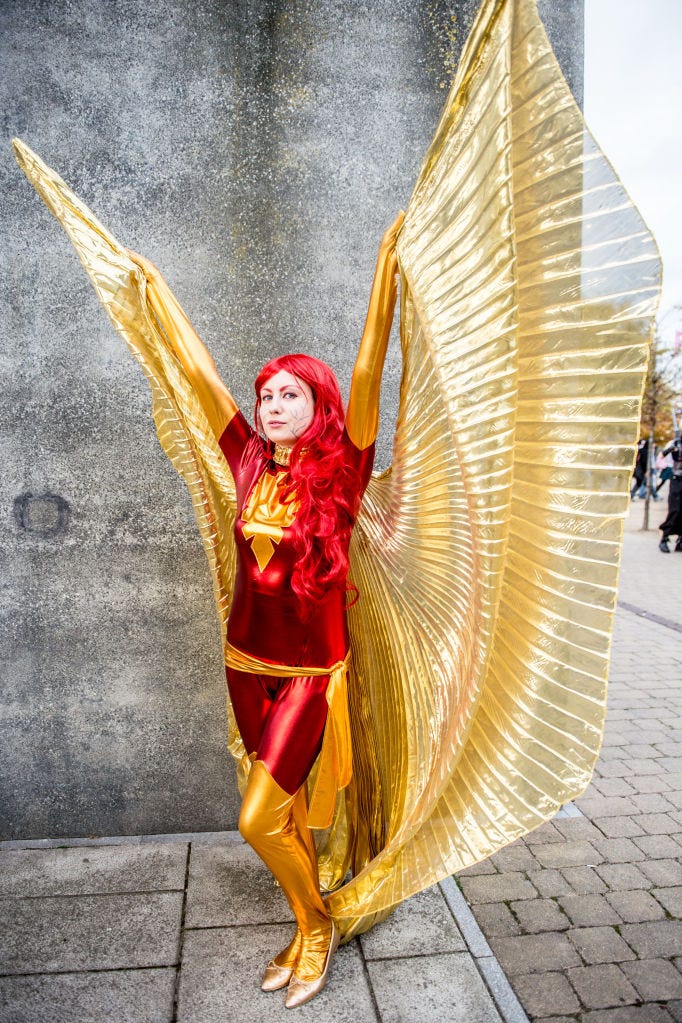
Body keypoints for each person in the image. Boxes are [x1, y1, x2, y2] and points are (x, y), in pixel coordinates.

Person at [126, 211, 404, 1007]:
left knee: (255, 819)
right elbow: (200, 371)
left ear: (316, 404)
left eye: (289, 394)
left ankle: (315, 928)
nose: (272, 404)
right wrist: (157, 293)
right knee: (280, 819)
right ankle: (305, 912)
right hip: (243, 665)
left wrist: (384, 269)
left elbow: (366, 367)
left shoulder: (344, 465)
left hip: (311, 676)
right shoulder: (247, 458)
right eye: (267, 395)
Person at [658, 434, 682, 552]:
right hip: (676, 479)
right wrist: (671, 449)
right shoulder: (675, 443)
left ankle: (680, 540)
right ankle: (664, 538)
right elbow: (661, 457)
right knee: (675, 510)